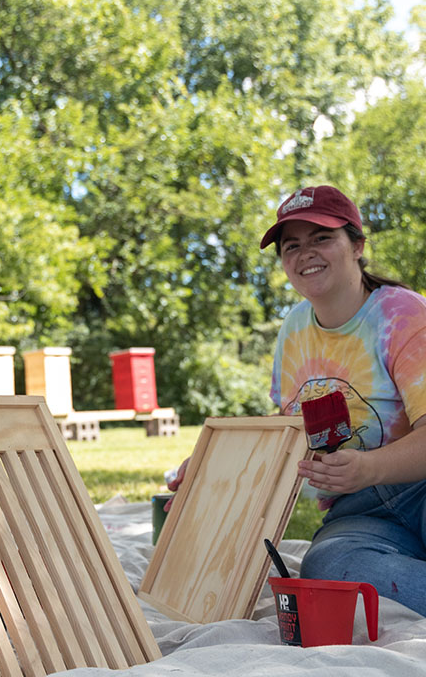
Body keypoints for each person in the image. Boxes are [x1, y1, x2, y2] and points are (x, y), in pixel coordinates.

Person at [168, 185, 426, 616]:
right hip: (359, 514)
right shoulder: (293, 330)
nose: (305, 253)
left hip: (420, 490)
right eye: (292, 245)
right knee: (327, 568)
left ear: (357, 245)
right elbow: (289, 433)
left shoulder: (403, 315)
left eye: (322, 237)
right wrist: (212, 471)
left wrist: (368, 467)